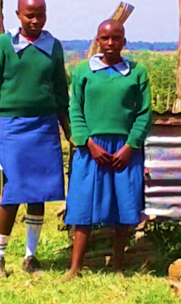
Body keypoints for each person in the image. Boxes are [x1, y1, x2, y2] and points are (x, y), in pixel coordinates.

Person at [0, 0, 71, 277]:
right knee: (12, 191)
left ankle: (31, 257)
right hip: (11, 127)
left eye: (40, 15)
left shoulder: (53, 47)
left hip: (44, 128)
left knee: (38, 191)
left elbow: (59, 94)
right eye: (29, 15)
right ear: (17, 15)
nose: (35, 20)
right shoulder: (3, 46)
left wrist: (69, 133)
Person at [63, 19, 152, 281]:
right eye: (105, 38)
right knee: (82, 205)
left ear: (124, 41)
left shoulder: (137, 73)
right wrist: (87, 143)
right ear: (97, 41)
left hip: (125, 150)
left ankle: (117, 266)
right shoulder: (83, 71)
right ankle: (75, 268)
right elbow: (75, 110)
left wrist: (130, 145)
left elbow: (144, 113)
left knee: (123, 205)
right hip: (90, 149)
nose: (110, 43)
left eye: (116, 38)